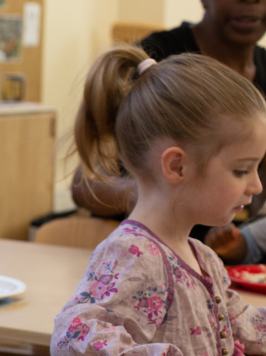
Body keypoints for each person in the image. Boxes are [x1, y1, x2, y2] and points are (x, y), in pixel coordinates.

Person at [30, 47, 266, 356]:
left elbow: (240, 322)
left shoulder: (201, 255)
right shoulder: (134, 253)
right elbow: (73, 331)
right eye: (242, 170)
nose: (256, 186)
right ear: (176, 166)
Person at [70, 0, 266, 229]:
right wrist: (154, 193)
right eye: (241, 170)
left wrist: (248, 240)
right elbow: (86, 183)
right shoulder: (156, 63)